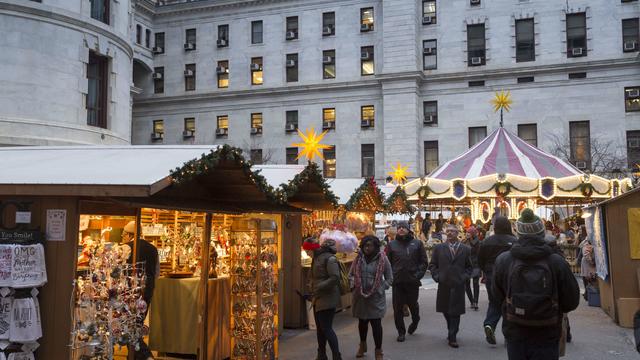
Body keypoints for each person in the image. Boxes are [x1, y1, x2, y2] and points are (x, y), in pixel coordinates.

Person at [493, 209, 580, 360]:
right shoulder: (556, 262)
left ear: (518, 233)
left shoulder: (504, 260)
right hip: (547, 330)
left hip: (515, 330)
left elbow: (496, 295)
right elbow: (571, 301)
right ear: (542, 233)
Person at [428, 224, 473, 348]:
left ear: (457, 232)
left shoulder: (465, 249)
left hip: (458, 284)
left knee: (456, 312)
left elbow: (469, 267)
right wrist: (437, 277)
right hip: (444, 283)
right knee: (446, 310)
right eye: (447, 231)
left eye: (452, 231)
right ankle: (451, 329)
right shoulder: (439, 248)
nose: (449, 233)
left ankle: (452, 336)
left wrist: (464, 277)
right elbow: (432, 265)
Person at [348, 236, 393, 360]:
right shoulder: (358, 259)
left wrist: (381, 288)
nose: (368, 248)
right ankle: (362, 345)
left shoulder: (383, 259)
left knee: (376, 324)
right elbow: (350, 275)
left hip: (375, 298)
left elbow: (389, 278)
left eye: (371, 245)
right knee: (362, 323)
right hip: (360, 297)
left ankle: (378, 350)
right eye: (366, 245)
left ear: (376, 246)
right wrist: (354, 284)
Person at [385, 221, 428, 342]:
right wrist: (390, 277)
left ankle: (415, 321)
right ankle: (401, 332)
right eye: (399, 228)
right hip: (397, 282)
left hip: (412, 281)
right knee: (397, 308)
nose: (401, 229)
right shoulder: (392, 245)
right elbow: (387, 263)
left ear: (409, 229)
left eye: (404, 227)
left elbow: (424, 262)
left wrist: (417, 275)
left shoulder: (417, 243)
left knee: (413, 306)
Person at [122, 221, 159, 360]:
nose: (122, 237)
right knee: (137, 323)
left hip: (128, 291)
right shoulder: (153, 249)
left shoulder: (125, 248)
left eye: (124, 234)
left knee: (128, 325)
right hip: (147, 290)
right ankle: (137, 356)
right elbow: (156, 273)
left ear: (129, 234)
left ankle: (145, 355)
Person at [477, 216, 515, 345]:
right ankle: (508, 334)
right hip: (509, 275)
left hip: (491, 275)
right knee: (508, 303)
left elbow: (480, 259)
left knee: (494, 301)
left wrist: (485, 271)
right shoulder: (514, 241)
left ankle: (489, 324)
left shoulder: (487, 241)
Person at [305, 236, 342, 360]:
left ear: (312, 249)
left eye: (307, 250)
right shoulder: (316, 258)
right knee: (320, 330)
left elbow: (335, 277)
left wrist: (319, 286)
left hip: (328, 297)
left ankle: (337, 356)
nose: (306, 253)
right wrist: (311, 288)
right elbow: (316, 277)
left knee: (326, 328)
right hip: (318, 297)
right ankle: (321, 354)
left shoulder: (329, 259)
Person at [463, 226, 481, 311]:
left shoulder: (477, 241)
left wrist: (469, 239)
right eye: (467, 232)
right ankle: (472, 301)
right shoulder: (465, 240)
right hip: (466, 265)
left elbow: (474, 248)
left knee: (475, 283)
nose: (467, 234)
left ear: (473, 233)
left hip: (476, 264)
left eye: (469, 232)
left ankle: (476, 301)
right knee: (466, 284)